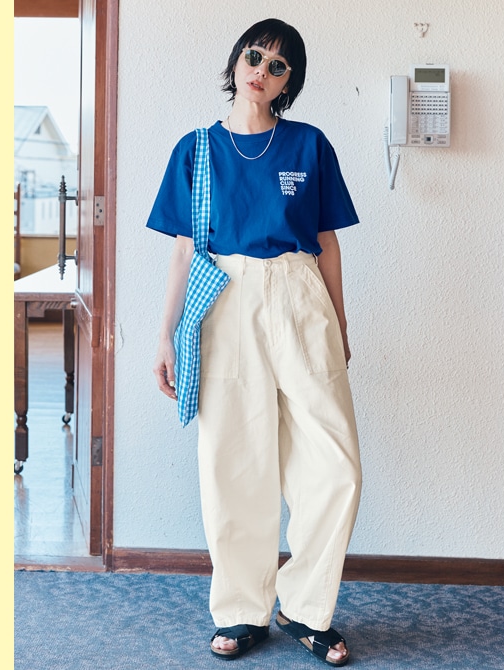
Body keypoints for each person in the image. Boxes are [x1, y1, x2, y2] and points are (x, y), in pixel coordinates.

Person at [147, 18, 362, 666]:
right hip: (226, 299)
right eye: (254, 56)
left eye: (278, 65)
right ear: (236, 62)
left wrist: (340, 323)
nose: (262, 71)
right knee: (233, 461)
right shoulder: (196, 149)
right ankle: (242, 609)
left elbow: (326, 243)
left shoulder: (309, 144)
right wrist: (165, 335)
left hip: (300, 297)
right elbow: (184, 251)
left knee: (336, 465)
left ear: (289, 82)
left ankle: (305, 607)